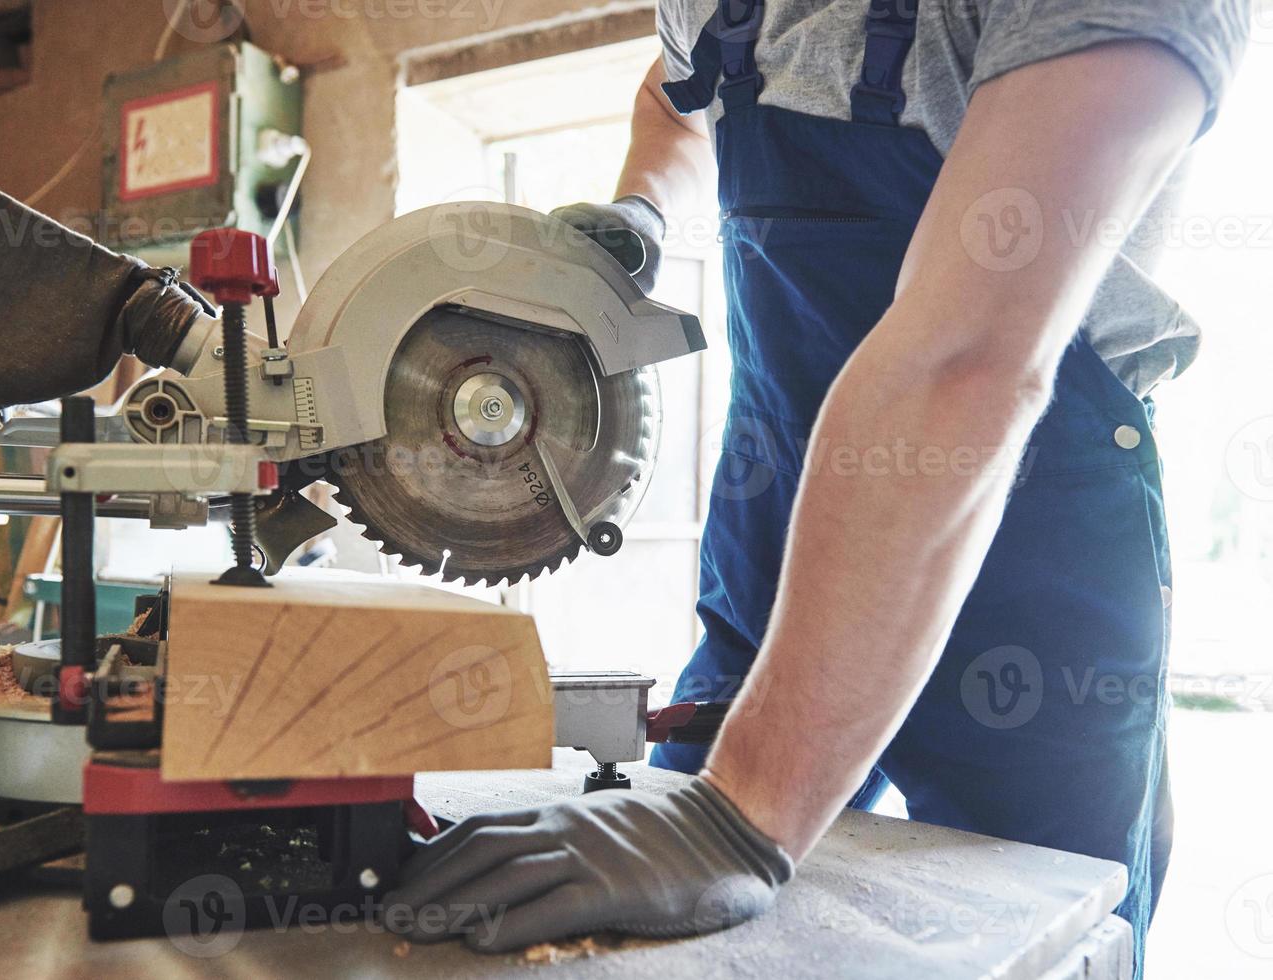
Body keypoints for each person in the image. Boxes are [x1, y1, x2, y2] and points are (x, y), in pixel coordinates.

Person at [383, 1, 1250, 973]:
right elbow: (674, 101)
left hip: (1027, 546)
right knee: (657, 935)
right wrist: (641, 212)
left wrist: (740, 815)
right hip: (777, 512)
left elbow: (965, 363)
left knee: (1032, 929)